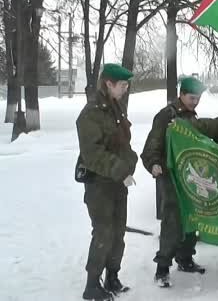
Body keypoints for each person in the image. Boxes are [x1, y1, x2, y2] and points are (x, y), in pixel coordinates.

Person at [140, 77, 218, 287]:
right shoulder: (166, 116)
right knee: (173, 220)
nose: (195, 102)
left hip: (189, 178)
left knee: (192, 216)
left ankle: (185, 258)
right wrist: (154, 164)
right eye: (192, 98)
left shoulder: (190, 116)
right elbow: (151, 147)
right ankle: (162, 268)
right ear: (181, 94)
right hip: (170, 175)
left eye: (198, 98)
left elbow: (206, 132)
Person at [76, 64, 138, 301]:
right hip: (99, 184)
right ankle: (92, 285)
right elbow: (93, 155)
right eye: (122, 85)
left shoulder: (115, 108)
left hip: (117, 183)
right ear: (109, 84)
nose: (125, 88)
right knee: (103, 232)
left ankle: (112, 276)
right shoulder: (91, 113)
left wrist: (130, 162)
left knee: (118, 232)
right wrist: (121, 169)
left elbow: (123, 143)